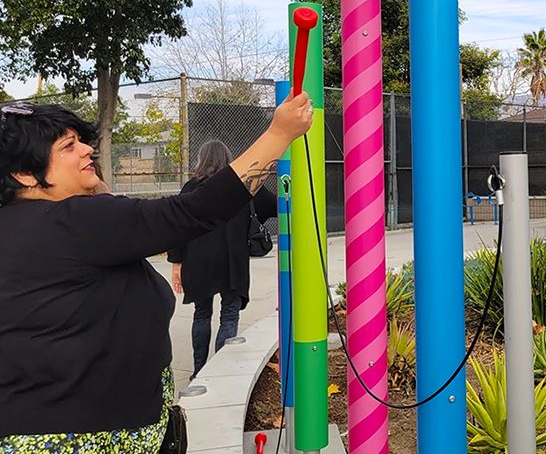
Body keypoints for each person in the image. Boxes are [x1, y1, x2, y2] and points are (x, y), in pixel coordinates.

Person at [0, 93, 312, 452]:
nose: (87, 150)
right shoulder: (75, 223)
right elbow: (192, 212)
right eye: (69, 146)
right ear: (23, 174)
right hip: (91, 437)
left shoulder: (27, 226)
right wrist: (278, 135)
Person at [168, 140, 277, 378]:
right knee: (229, 313)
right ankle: (218, 370)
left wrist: (177, 265)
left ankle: (199, 369)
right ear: (229, 160)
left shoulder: (190, 188)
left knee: (202, 313)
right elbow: (275, 206)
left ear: (202, 159)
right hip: (232, 261)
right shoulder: (242, 187)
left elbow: (177, 227)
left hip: (198, 261)